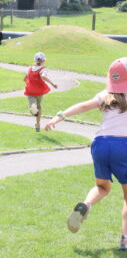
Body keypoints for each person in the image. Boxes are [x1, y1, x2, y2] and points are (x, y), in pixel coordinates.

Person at [45, 57, 127, 250]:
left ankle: (86, 205)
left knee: (102, 187)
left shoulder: (105, 95)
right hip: (123, 146)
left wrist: (59, 116)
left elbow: (83, 105)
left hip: (100, 145)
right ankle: (125, 239)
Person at [24, 52, 57, 132]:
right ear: (44, 61)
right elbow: (43, 76)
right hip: (39, 90)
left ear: (35, 60)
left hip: (31, 90)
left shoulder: (30, 68)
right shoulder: (43, 69)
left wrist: (26, 80)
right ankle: (38, 124)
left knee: (33, 107)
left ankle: (35, 115)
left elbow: (26, 77)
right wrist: (52, 83)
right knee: (39, 106)